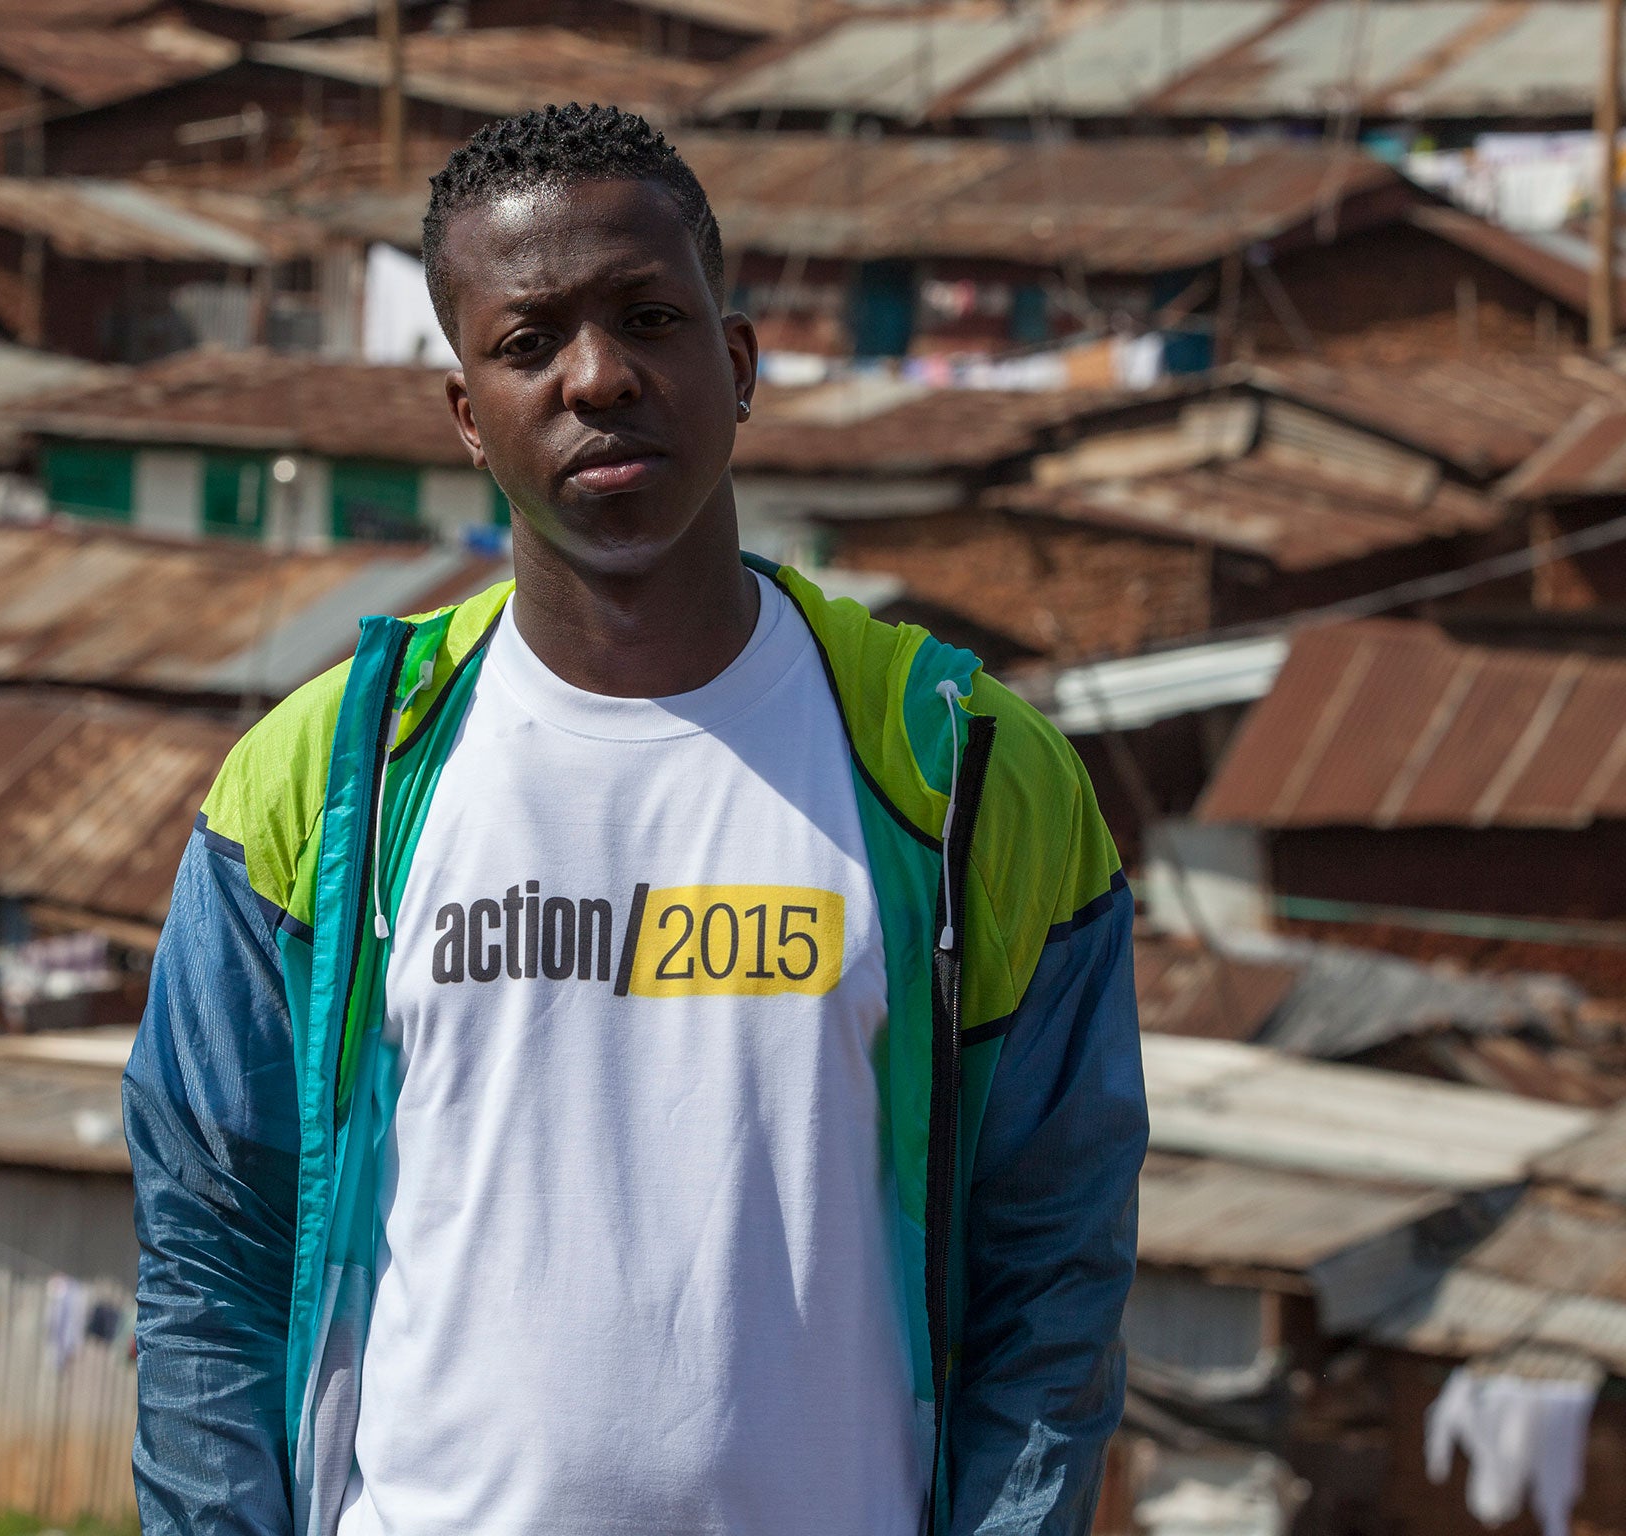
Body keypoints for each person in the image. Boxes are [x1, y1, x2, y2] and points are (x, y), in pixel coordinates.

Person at [127, 103, 1146, 1536]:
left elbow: (1056, 1279)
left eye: (650, 318)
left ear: (736, 365)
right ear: (467, 415)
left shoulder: (972, 782)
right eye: (530, 341)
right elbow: (207, 1263)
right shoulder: (318, 792)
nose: (599, 377)